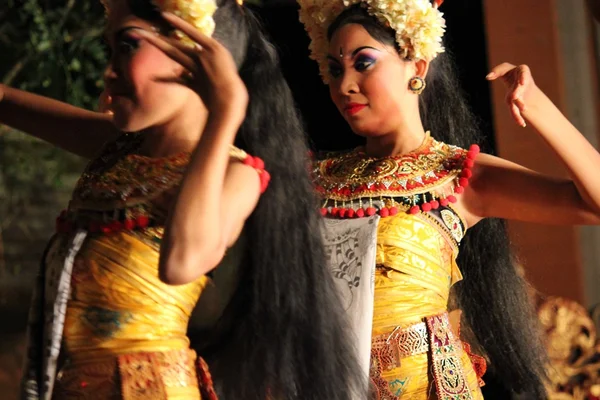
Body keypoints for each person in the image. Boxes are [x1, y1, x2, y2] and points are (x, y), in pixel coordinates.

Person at [1, 0, 364, 398]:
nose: (108, 71)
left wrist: (226, 111)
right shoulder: (117, 150)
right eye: (110, 49)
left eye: (127, 46)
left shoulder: (238, 174)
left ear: (196, 58)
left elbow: (181, 262)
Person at [297, 0, 600, 398]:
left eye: (363, 62)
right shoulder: (313, 178)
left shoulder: (458, 175)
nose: (344, 85)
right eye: (335, 70)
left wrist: (537, 105)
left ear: (416, 66)